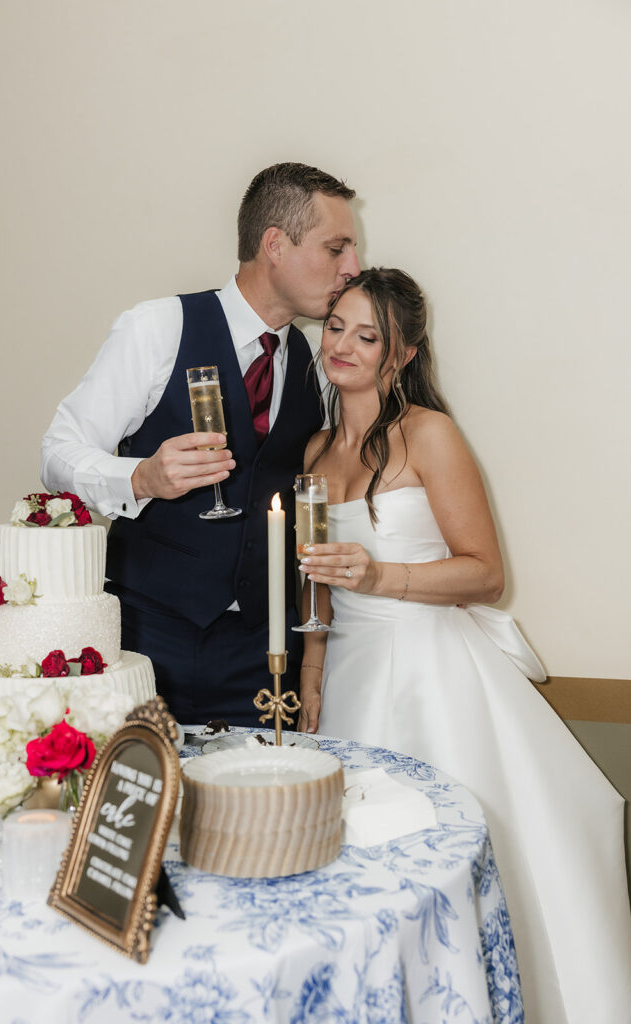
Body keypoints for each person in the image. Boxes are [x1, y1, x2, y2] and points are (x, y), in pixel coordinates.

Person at [296, 268, 631, 1024]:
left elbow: (484, 574)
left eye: (367, 334)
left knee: (438, 857)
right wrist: (312, 669)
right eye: (336, 325)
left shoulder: (429, 434)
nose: (343, 344)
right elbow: (315, 577)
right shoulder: (314, 451)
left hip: (429, 673)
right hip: (346, 673)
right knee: (353, 865)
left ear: (402, 354)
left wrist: (381, 573)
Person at [41, 162, 359, 725]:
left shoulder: (317, 364)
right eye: (336, 249)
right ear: (275, 244)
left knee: (255, 810)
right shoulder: (157, 327)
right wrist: (139, 478)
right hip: (145, 636)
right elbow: (58, 450)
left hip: (264, 656)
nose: (352, 269)